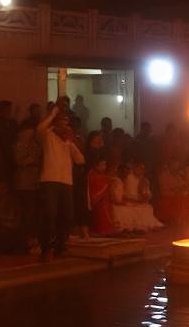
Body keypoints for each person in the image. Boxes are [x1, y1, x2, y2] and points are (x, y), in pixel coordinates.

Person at [37, 106, 86, 259]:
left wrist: (71, 143)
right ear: (55, 124)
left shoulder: (67, 143)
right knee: (50, 215)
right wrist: (52, 114)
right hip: (50, 180)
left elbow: (80, 160)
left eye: (67, 124)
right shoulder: (48, 136)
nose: (65, 127)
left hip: (66, 182)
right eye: (62, 123)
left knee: (67, 215)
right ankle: (46, 248)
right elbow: (40, 128)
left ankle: (60, 246)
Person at [13, 119, 42, 254]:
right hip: (24, 183)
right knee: (27, 214)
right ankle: (27, 243)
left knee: (33, 214)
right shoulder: (20, 144)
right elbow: (19, 161)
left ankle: (33, 240)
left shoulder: (35, 144)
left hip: (34, 182)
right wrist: (33, 159)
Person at [114, 161, 163, 232]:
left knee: (148, 207)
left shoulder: (144, 180)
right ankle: (133, 227)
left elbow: (147, 193)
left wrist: (146, 196)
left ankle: (145, 226)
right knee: (133, 209)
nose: (141, 171)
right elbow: (123, 193)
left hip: (138, 201)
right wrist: (132, 199)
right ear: (135, 168)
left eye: (143, 169)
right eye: (139, 168)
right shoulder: (128, 178)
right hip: (128, 200)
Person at [87, 156, 116, 235]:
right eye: (102, 165)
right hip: (97, 203)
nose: (104, 167)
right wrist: (107, 184)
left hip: (105, 200)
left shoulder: (103, 176)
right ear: (96, 165)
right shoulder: (91, 174)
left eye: (105, 165)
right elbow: (94, 192)